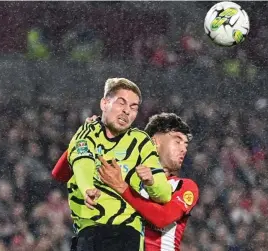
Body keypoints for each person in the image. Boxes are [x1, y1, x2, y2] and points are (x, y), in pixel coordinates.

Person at [52, 112, 199, 251]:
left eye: (186, 145)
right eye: (177, 141)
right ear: (154, 142)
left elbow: (162, 218)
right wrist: (84, 137)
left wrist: (122, 188)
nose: (183, 149)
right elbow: (61, 174)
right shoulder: (125, 172)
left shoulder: (184, 186)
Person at [64, 78, 172, 251]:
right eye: (121, 103)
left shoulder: (141, 142)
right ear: (104, 103)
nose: (126, 111)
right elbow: (82, 162)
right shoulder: (88, 131)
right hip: (91, 229)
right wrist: (87, 189)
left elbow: (165, 194)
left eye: (133, 107)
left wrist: (152, 182)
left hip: (128, 231)